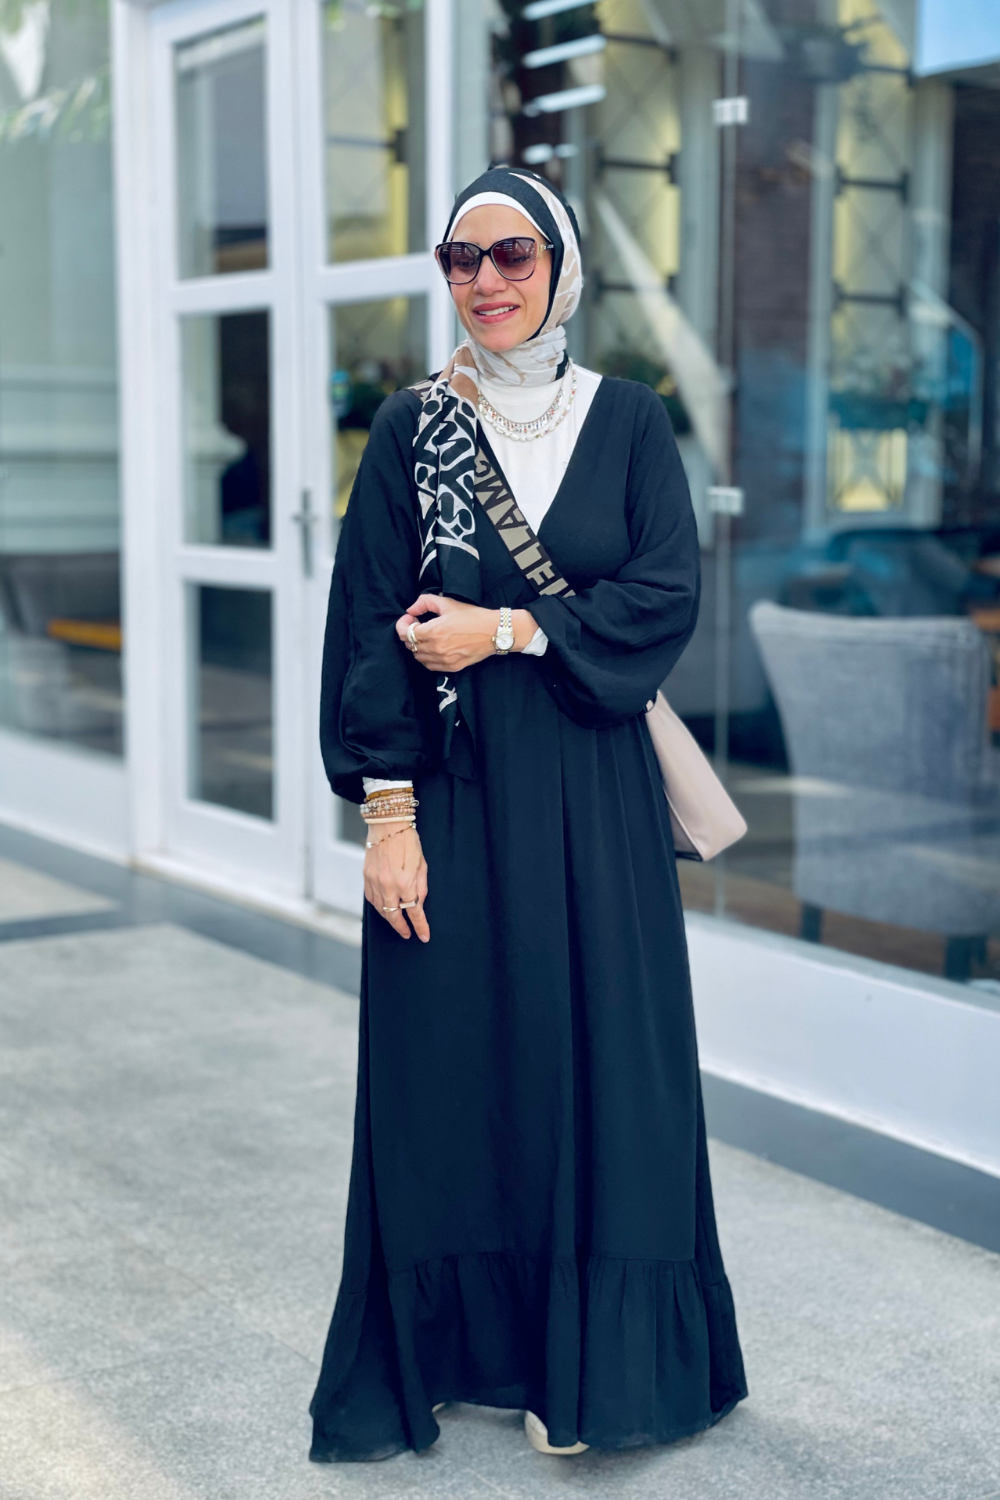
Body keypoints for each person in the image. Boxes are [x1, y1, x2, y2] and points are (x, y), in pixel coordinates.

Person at [309, 165, 747, 1463]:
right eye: (462, 259)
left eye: (513, 255)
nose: (486, 281)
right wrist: (388, 818)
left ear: (560, 265)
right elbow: (368, 631)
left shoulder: (631, 420)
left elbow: (663, 598)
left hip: (597, 799)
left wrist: (506, 628)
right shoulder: (413, 430)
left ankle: (596, 1370)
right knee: (448, 1071)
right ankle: (464, 1352)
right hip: (453, 797)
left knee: (607, 1074)